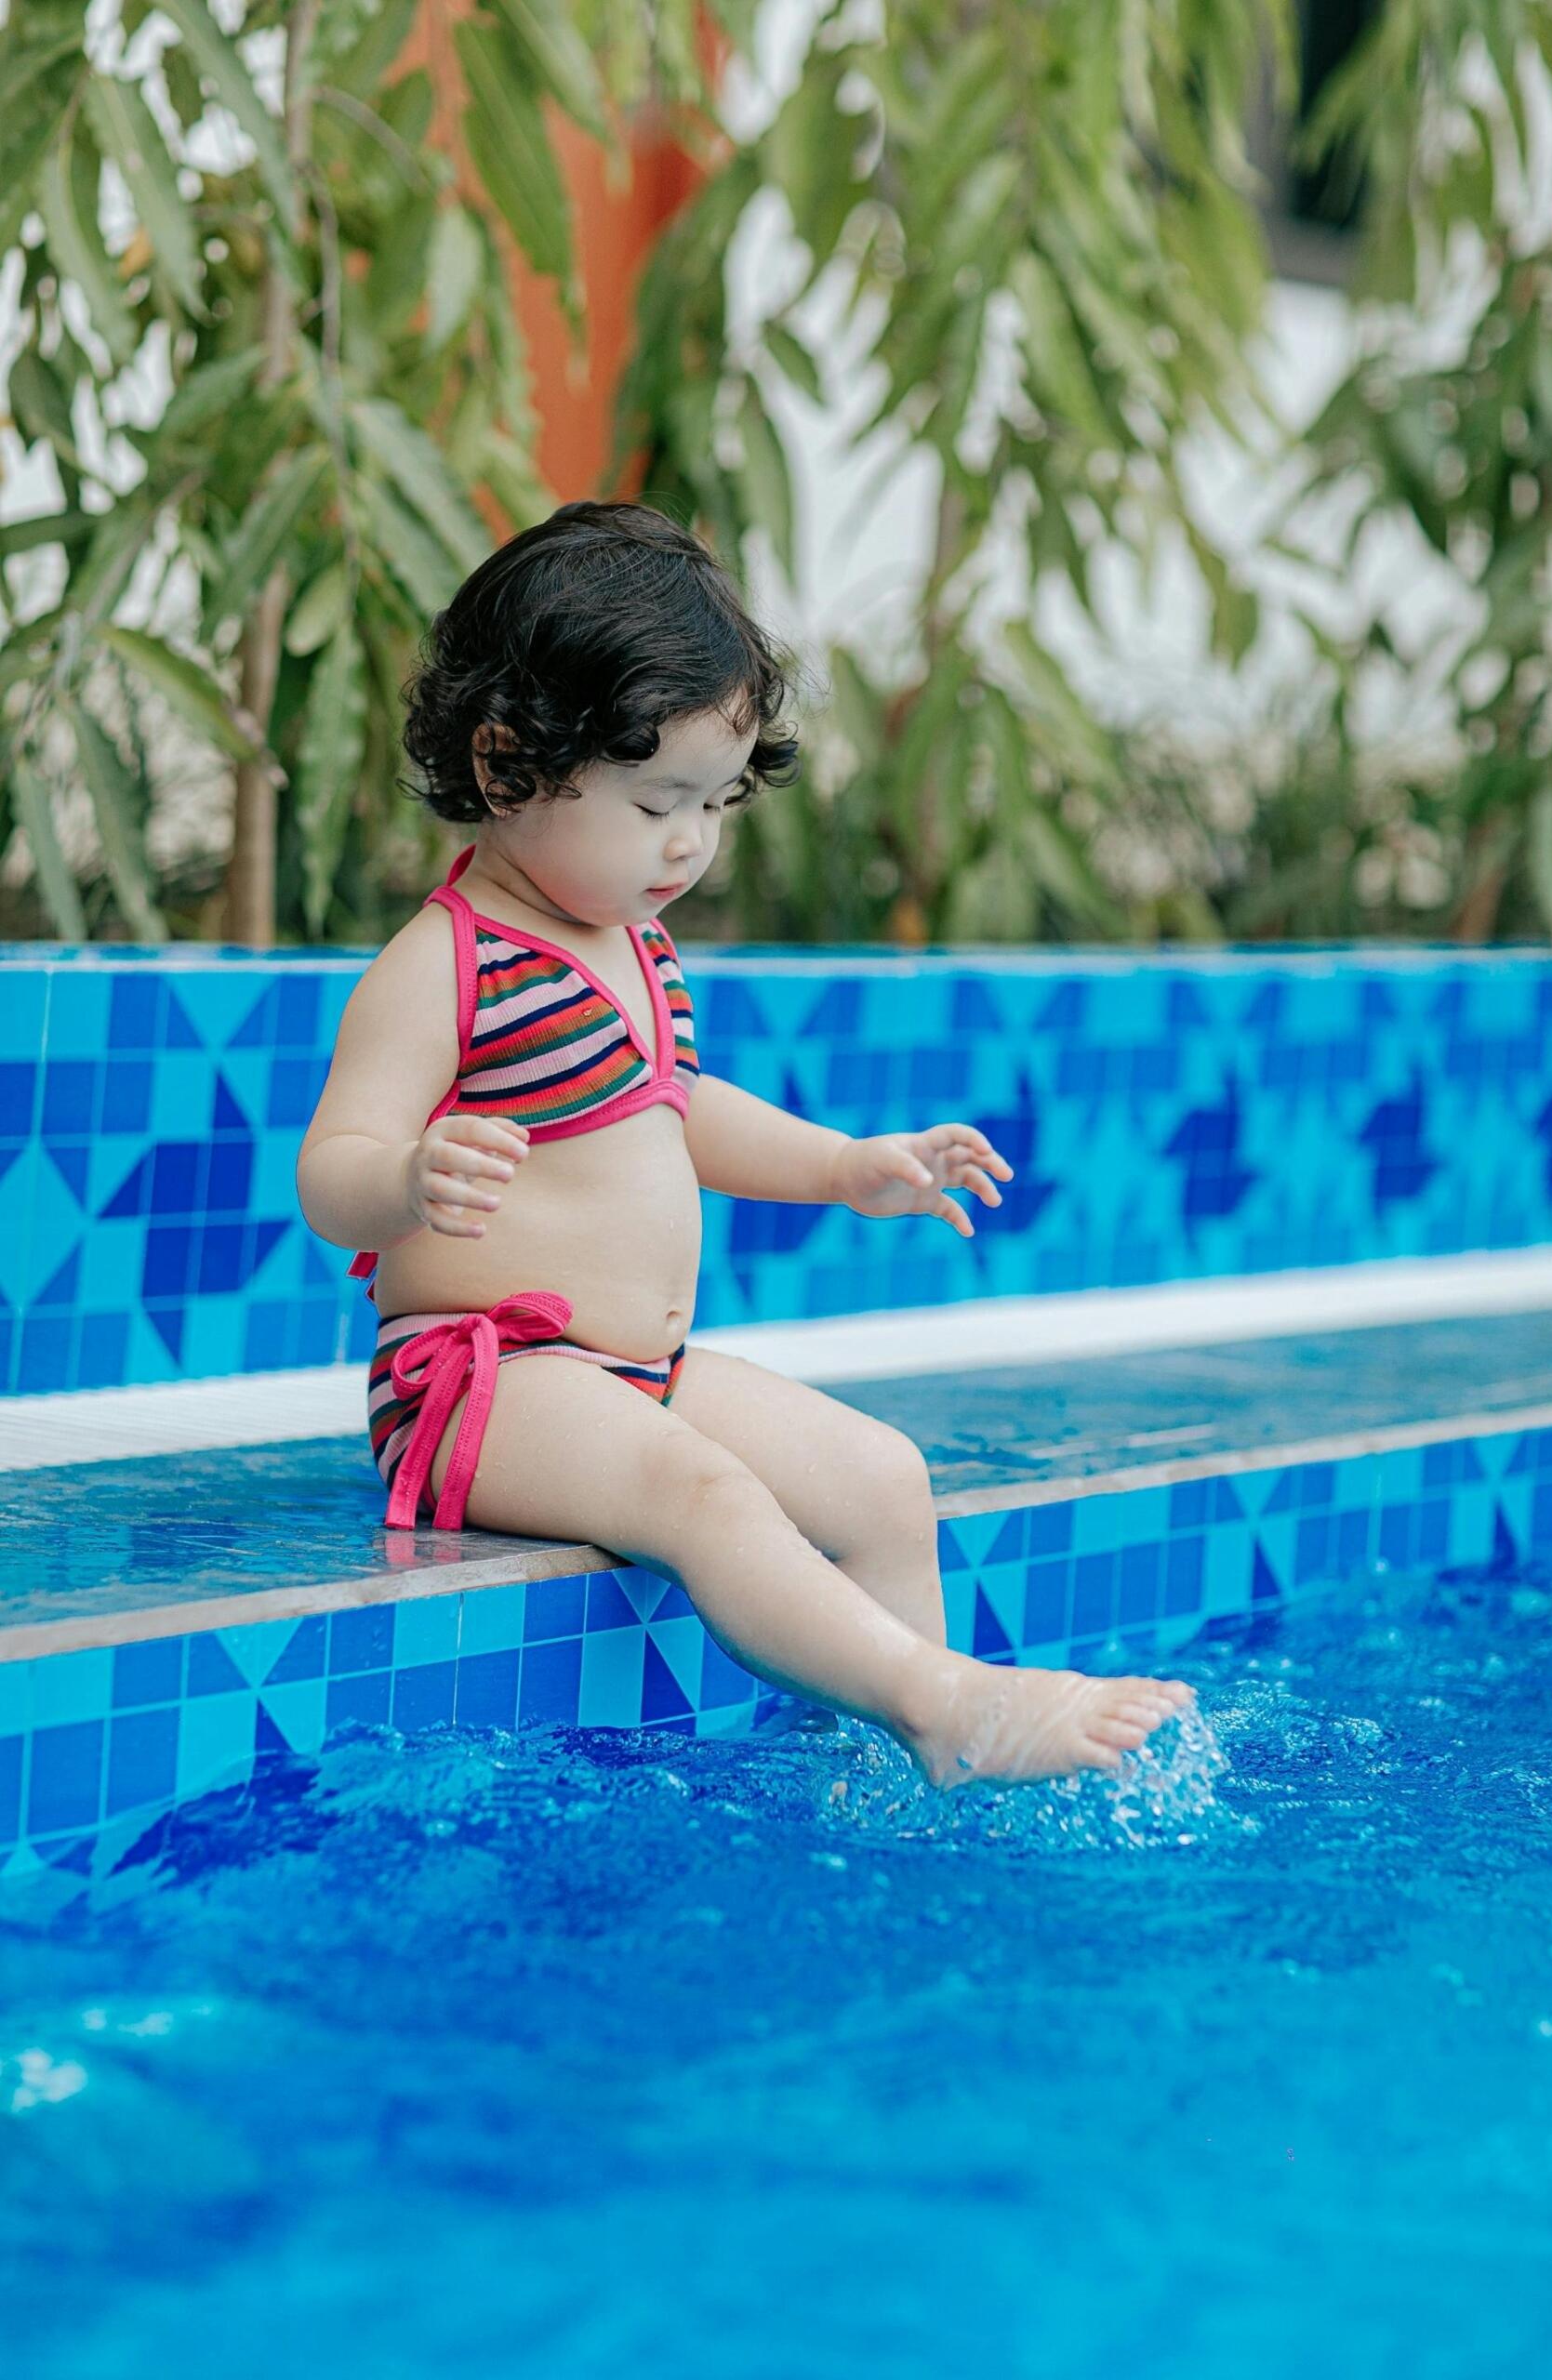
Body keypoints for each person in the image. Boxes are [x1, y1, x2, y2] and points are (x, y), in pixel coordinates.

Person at [296, 500, 1196, 1791]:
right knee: (705, 1498)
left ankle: (878, 1769)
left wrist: (843, 1166)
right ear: (504, 769)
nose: (688, 842)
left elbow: (678, 1108)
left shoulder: (633, 945)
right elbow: (332, 1170)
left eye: (713, 803)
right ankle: (944, 1708)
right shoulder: (444, 962)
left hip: (634, 1372)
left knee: (882, 1476)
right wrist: (404, 1179)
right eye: (657, 799)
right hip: (481, 1389)